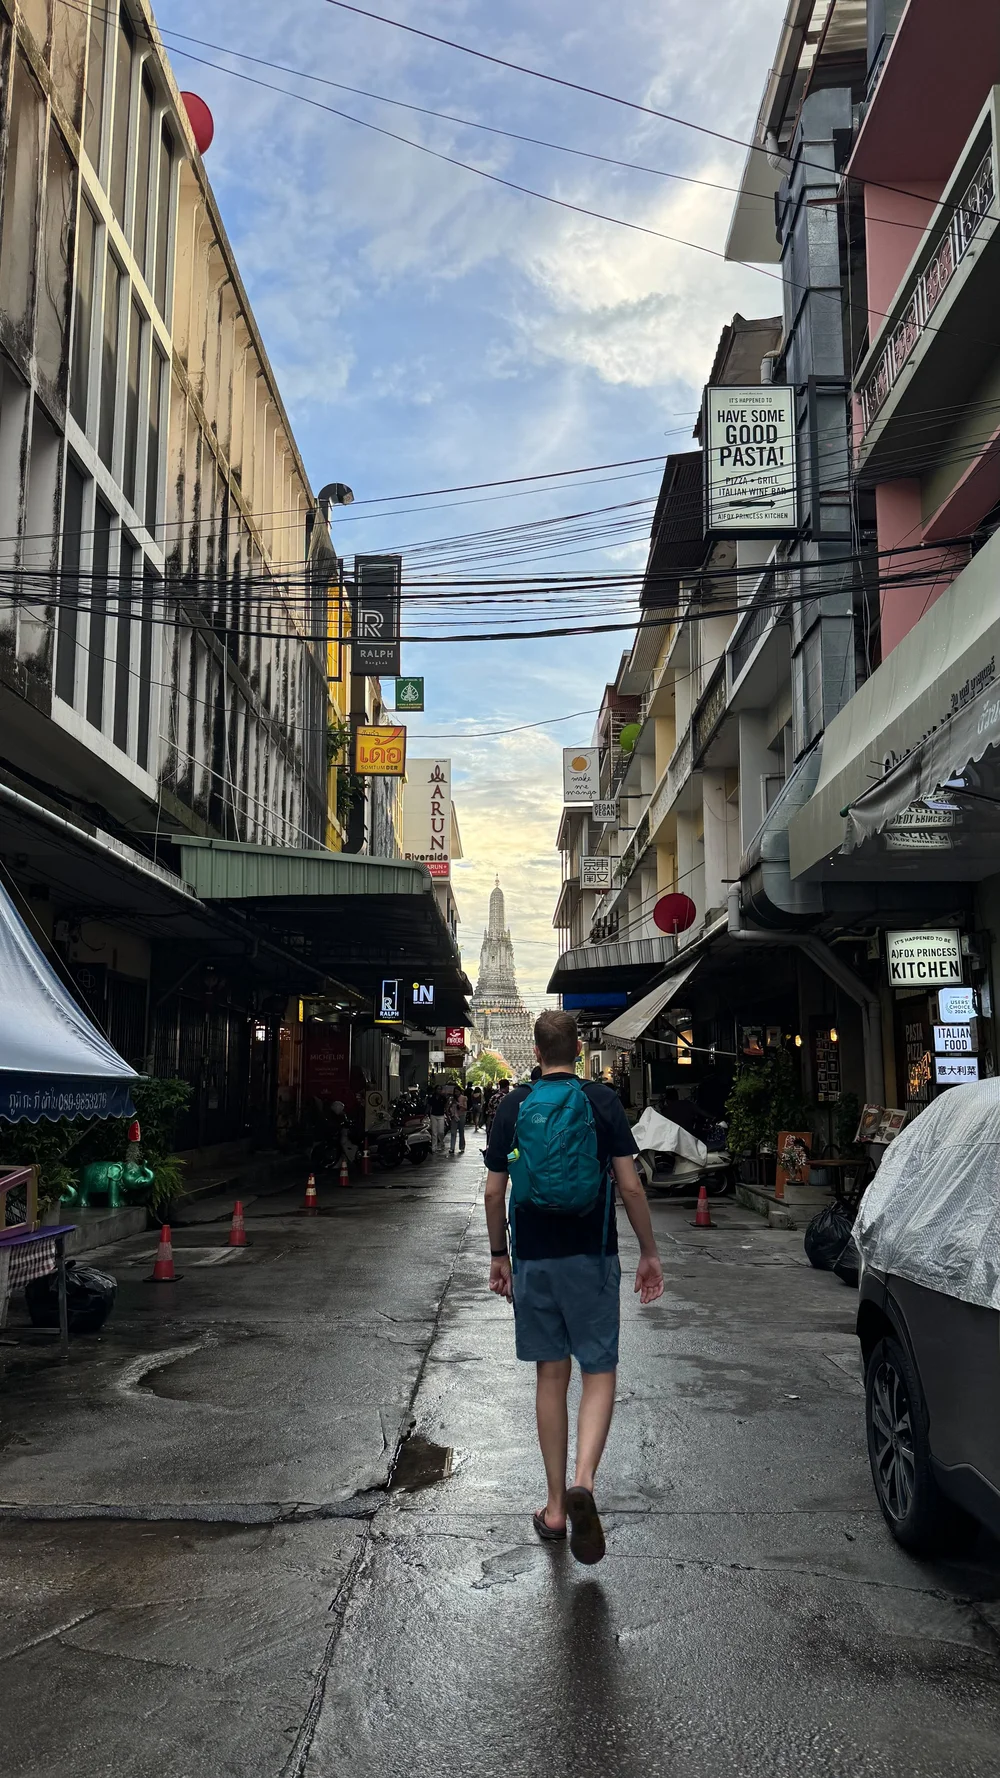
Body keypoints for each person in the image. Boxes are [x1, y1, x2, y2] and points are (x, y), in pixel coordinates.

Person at [484, 1010, 664, 1566]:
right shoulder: (602, 1101)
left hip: (535, 1258)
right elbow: (630, 1186)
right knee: (599, 1370)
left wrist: (499, 1256)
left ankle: (556, 1508)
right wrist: (649, 1252)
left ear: (535, 1052)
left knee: (551, 1376)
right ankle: (585, 1479)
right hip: (592, 1254)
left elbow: (494, 1193)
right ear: (580, 1048)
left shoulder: (512, 1105)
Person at [428, 1084, 449, 1153]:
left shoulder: (443, 1098)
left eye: (440, 1089)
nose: (439, 1090)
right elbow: (429, 1106)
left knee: (441, 1132)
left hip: (441, 1115)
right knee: (434, 1132)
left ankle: (442, 1143)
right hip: (433, 1115)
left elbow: (446, 1107)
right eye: (438, 1089)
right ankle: (434, 1147)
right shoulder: (432, 1097)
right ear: (435, 1090)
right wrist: (426, 1114)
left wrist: (448, 1115)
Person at [449, 1086, 468, 1157]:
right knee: (453, 1132)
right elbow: (449, 1106)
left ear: (460, 1091)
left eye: (457, 1091)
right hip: (454, 1116)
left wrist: (458, 1104)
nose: (456, 1093)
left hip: (461, 1115)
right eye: (455, 1091)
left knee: (461, 1131)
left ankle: (462, 1146)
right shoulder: (452, 1098)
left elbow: (465, 1108)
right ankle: (452, 1147)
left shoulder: (464, 1098)